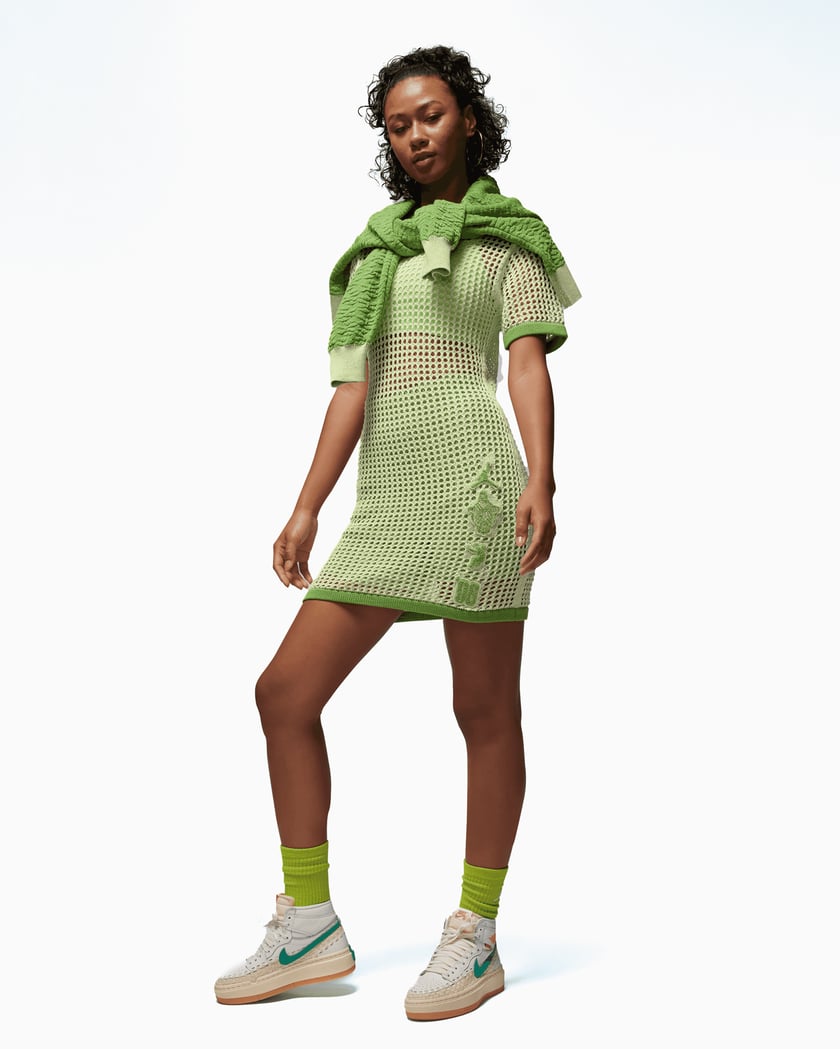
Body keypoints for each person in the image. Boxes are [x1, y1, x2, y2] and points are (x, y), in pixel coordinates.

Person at [214, 44, 581, 1021]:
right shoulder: (375, 255)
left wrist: (542, 475)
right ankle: (309, 924)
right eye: (397, 124)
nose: (415, 135)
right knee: (284, 692)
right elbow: (352, 390)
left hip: (476, 487)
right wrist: (307, 505)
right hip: (388, 500)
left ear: (469, 118)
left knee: (484, 708)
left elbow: (527, 364)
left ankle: (475, 932)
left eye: (431, 115)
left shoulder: (509, 241)